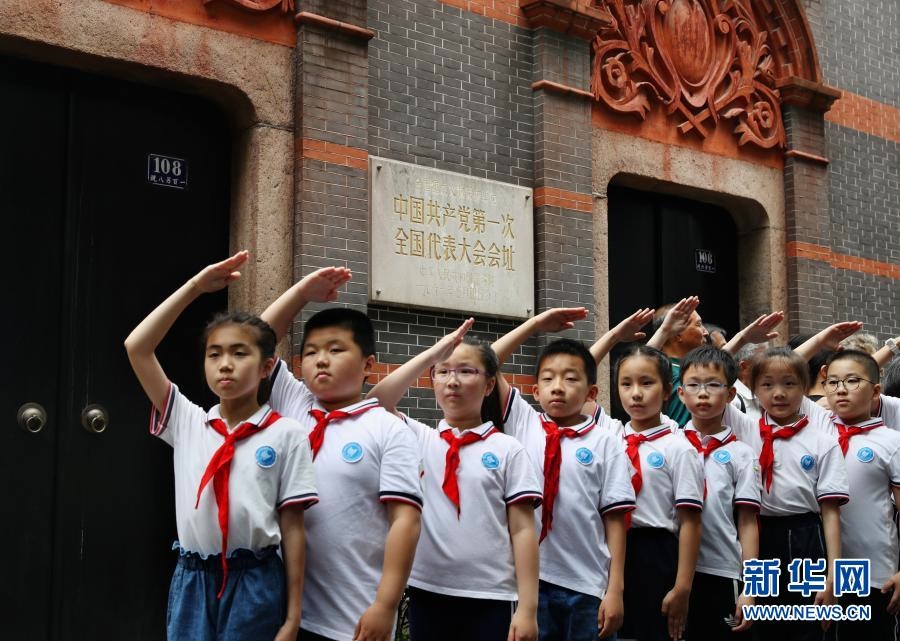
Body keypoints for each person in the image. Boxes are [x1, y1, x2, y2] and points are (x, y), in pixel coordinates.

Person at [124, 251, 317, 641]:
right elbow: (137, 347)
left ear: (267, 367)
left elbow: (294, 527)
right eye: (215, 354)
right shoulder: (188, 421)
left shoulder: (287, 434)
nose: (225, 364)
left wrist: (293, 615)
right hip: (194, 578)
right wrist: (195, 287)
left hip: (255, 579)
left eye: (239, 353)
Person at [261, 270, 423, 641]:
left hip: (351, 616)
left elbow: (405, 521)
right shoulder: (294, 402)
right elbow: (254, 340)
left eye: (336, 350)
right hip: (280, 609)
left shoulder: (387, 429)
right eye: (311, 352)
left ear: (368, 365)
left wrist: (385, 605)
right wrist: (302, 293)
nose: (321, 360)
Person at [366, 321, 541, 641]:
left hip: (491, 596)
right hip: (428, 592)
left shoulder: (508, 449)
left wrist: (528, 608)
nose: (452, 381)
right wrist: (432, 354)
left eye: (466, 371)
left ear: (489, 385)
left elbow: (523, 530)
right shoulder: (418, 438)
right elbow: (375, 404)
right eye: (442, 372)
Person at [489, 307, 638, 641]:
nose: (558, 387)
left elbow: (615, 519)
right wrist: (535, 324)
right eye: (548, 379)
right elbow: (487, 361)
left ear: (591, 393)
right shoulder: (523, 422)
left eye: (571, 379)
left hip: (587, 585)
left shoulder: (606, 442)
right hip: (527, 583)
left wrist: (615, 589)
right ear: (535, 391)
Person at [723, 347, 848, 641]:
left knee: (808, 624)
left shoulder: (823, 441)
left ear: (805, 387)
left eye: (789, 383)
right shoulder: (745, 428)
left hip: (807, 536)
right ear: (752, 389)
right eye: (767, 384)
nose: (778, 393)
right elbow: (712, 378)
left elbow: (831, 512)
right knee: (760, 624)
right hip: (757, 535)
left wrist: (833, 577)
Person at [612, 345, 705, 641]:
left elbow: (691, 521)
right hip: (612, 550)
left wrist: (682, 587)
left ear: (667, 391)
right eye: (626, 384)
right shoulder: (610, 441)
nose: (636, 394)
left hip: (657, 554)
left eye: (646, 383)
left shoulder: (679, 448)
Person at [677, 346, 760, 640]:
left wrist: (751, 589)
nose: (703, 393)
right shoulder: (671, 444)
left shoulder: (741, 453)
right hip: (672, 569)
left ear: (730, 394)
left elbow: (748, 522)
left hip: (722, 571)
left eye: (713, 385)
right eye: (694, 385)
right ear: (680, 393)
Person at [820, 349, 900, 638]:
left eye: (853, 381)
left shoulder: (892, 441)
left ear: (876, 391)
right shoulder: (816, 432)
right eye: (833, 382)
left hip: (871, 569)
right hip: (818, 568)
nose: (841, 389)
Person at [648, 298, 783, 427]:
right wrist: (665, 331)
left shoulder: (683, 368)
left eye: (713, 384)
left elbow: (716, 361)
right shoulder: (668, 372)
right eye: (698, 324)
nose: (705, 332)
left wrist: (743, 338)